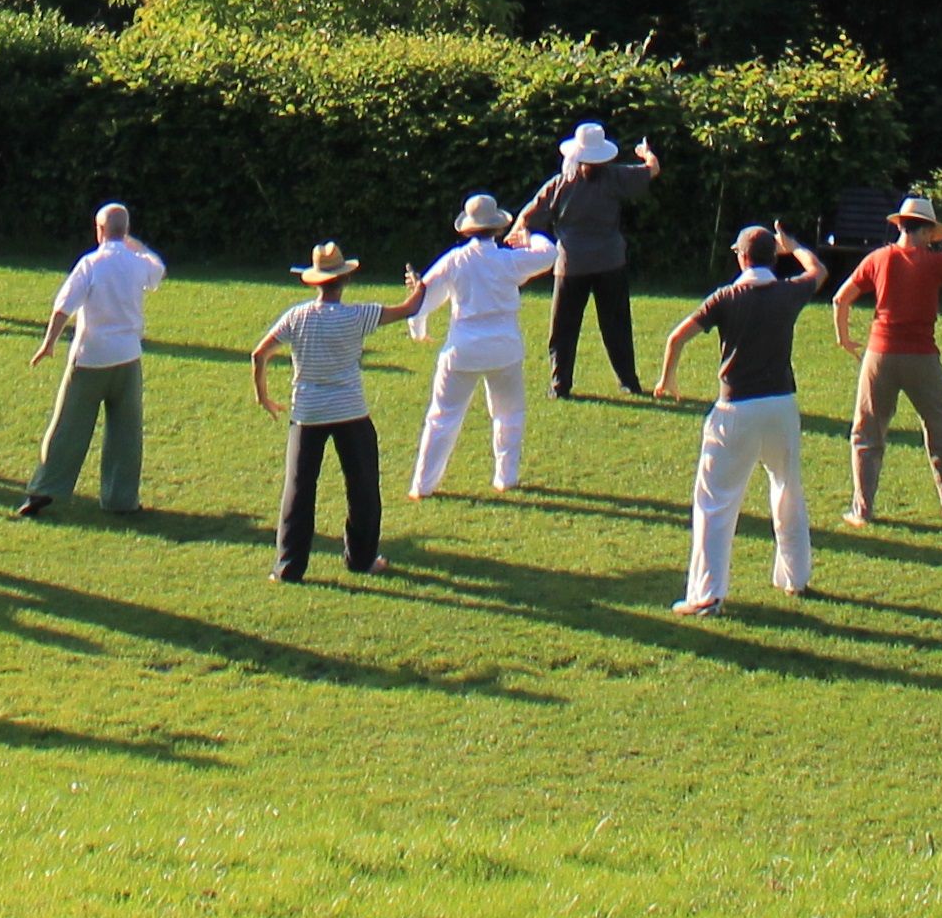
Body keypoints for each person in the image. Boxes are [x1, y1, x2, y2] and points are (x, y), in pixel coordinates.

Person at [655, 223, 835, 614]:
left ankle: (707, 595)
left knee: (715, 503)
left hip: (736, 409)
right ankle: (795, 577)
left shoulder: (727, 296)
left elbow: (677, 337)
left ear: (741, 256)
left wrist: (667, 378)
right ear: (774, 258)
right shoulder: (788, 292)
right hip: (782, 406)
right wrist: (797, 247)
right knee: (787, 488)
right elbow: (818, 271)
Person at [250, 244, 403, 582]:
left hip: (308, 413)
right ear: (345, 279)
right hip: (351, 411)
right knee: (362, 486)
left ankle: (288, 567)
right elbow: (407, 310)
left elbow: (259, 354)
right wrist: (418, 290)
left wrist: (263, 396)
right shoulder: (358, 315)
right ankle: (362, 559)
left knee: (299, 488)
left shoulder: (297, 316)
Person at [403, 192, 565, 498]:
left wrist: (418, 329)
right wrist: (529, 237)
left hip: (463, 347)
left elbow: (423, 296)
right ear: (497, 228)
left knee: (441, 418)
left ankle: (422, 485)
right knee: (508, 414)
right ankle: (506, 477)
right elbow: (549, 254)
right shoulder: (508, 260)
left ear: (466, 228)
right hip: (504, 346)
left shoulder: (455, 260)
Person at [14, 203, 165, 520]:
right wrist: (133, 244)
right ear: (126, 232)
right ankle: (120, 498)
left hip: (90, 358)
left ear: (99, 231)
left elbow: (63, 308)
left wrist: (48, 343)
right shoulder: (138, 264)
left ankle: (44, 489)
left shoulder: (91, 263)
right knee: (126, 433)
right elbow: (157, 267)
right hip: (128, 358)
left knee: (68, 427)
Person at [836, 188, 942, 525]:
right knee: (940, 426)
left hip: (879, 354)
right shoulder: (935, 261)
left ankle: (863, 509)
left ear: (901, 226)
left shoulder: (877, 259)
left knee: (867, 433)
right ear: (927, 230)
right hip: (922, 357)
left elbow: (840, 299)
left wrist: (844, 338)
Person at [526, 122, 659, 400]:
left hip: (571, 265)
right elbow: (652, 170)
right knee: (616, 325)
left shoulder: (561, 183)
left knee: (563, 328)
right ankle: (628, 382)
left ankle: (560, 384)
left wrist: (517, 239)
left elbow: (528, 217)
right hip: (610, 262)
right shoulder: (614, 177)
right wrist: (646, 154)